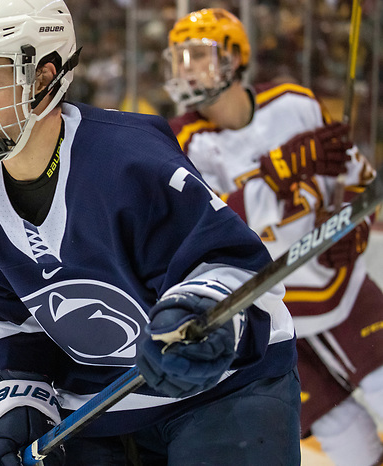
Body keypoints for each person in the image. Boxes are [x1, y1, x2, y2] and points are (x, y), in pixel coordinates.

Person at [0, 1, 300, 465]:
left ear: (42, 78)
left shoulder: (129, 160)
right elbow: (7, 320)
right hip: (95, 408)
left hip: (221, 388)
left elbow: (233, 263)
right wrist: (18, 395)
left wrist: (201, 314)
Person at [163, 8, 383, 466]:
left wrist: (355, 226)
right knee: (350, 443)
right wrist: (278, 170)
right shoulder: (178, 141)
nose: (186, 69)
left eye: (199, 55)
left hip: (336, 283)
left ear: (236, 58)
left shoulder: (294, 102)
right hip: (269, 308)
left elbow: (357, 178)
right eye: (179, 58)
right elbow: (208, 226)